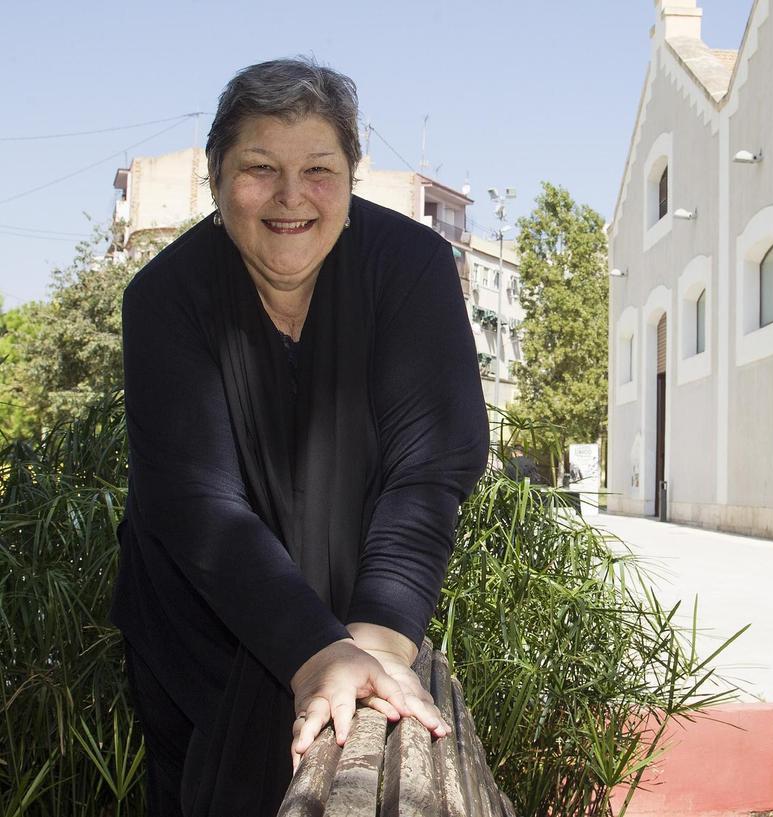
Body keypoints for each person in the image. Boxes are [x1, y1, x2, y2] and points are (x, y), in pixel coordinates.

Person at [109, 57, 489, 816]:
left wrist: (374, 645)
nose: (291, 197)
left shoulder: (412, 268)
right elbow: (198, 505)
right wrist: (318, 653)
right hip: (198, 636)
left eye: (319, 168)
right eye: (259, 168)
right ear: (215, 181)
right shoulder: (162, 299)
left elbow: (428, 469)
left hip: (363, 611)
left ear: (352, 175)